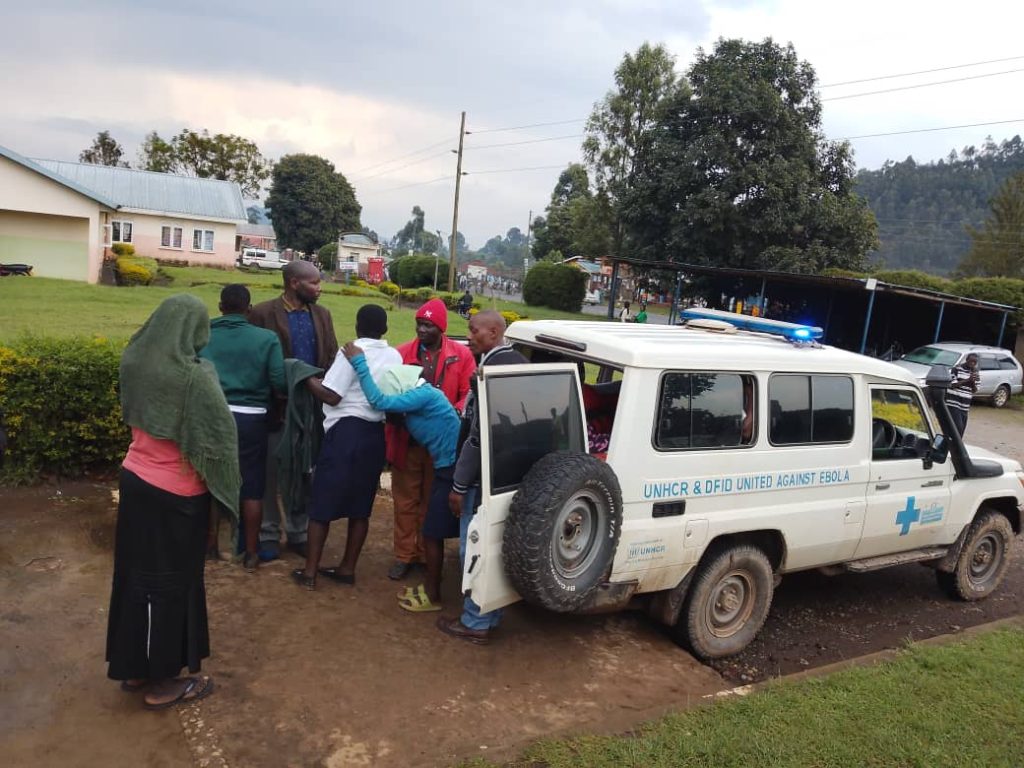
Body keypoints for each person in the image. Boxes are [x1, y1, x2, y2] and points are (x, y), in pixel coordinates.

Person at [106, 294, 239, 710]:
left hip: (135, 482)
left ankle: (134, 667)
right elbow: (218, 439)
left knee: (134, 574)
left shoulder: (136, 361)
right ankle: (164, 682)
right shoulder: (194, 378)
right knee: (170, 583)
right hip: (177, 495)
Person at [342, 348, 462, 613]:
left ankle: (433, 595)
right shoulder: (424, 396)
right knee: (432, 530)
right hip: (447, 466)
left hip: (451, 470)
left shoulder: (422, 396)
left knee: (432, 533)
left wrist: (360, 363)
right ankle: (431, 587)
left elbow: (378, 401)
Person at [291, 305, 400, 590]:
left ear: (356, 325)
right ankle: (347, 568)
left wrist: (306, 379)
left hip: (345, 433)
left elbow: (332, 396)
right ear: (385, 329)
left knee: (322, 503)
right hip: (375, 434)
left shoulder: (350, 352)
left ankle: (310, 573)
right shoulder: (394, 355)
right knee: (360, 507)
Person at [441, 311, 529, 644]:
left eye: (473, 330)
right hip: (513, 477)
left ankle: (475, 622)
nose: (469, 335)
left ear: (493, 333)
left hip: (483, 480)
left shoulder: (490, 373)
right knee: (497, 549)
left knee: (474, 549)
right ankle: (490, 614)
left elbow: (479, 438)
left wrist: (459, 485)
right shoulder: (521, 364)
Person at [248, 260, 338, 561]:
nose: (319, 288)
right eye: (313, 283)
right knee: (271, 473)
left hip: (312, 408)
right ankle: (269, 534)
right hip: (277, 408)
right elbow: (256, 359)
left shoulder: (322, 315)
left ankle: (299, 532)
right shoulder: (262, 314)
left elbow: (330, 356)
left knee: (304, 471)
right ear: (293, 283)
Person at [386, 299, 475, 581]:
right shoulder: (401, 354)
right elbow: (389, 391)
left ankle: (426, 554)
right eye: (419, 324)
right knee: (405, 501)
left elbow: (467, 395)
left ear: (441, 328)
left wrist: (450, 414)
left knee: (430, 501)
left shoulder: (461, 356)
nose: (421, 330)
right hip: (408, 442)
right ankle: (403, 555)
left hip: (441, 446)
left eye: (428, 325)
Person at [199, 284, 286, 571]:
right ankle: (250, 552)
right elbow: (279, 382)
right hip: (252, 418)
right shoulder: (266, 338)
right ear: (249, 310)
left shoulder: (205, 333)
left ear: (221, 306)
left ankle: (210, 545)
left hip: (214, 414)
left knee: (211, 480)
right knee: (252, 487)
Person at [947, 353, 980, 436]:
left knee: (961, 431)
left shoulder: (976, 372)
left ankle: (954, 447)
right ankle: (951, 445)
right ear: (966, 360)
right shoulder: (956, 369)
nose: (972, 363)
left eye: (974, 362)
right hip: (954, 402)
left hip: (965, 406)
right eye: (971, 361)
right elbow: (952, 385)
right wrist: (967, 380)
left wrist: (972, 383)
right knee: (958, 427)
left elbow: (975, 390)